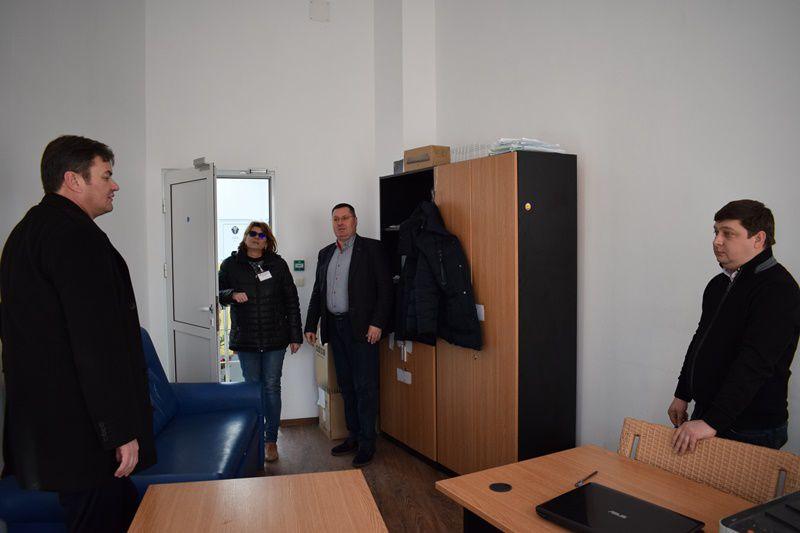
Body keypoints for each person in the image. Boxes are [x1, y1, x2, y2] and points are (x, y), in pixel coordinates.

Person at [0, 135, 156, 532]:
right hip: (84, 436)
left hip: (51, 430)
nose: (114, 185)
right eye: (106, 175)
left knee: (132, 512)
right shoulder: (75, 237)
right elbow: (94, 344)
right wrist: (119, 431)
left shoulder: (25, 234)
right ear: (73, 179)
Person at [669, 199, 800, 453]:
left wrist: (712, 421)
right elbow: (700, 340)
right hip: (709, 416)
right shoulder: (718, 285)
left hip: (749, 427)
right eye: (716, 232)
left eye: (728, 233)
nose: (717, 241)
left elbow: (755, 364)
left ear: (758, 239)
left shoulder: (779, 290)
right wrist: (682, 393)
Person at [304, 203, 392, 467]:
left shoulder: (372, 249)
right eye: (336, 219)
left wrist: (377, 323)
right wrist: (310, 324)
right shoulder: (325, 253)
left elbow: (386, 290)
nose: (340, 223)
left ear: (355, 221)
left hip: (364, 330)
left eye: (345, 218)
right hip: (335, 328)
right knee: (346, 386)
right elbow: (318, 292)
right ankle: (353, 436)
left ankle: (367, 443)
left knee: (365, 388)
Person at [218, 220, 302, 462]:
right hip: (247, 338)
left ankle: (270, 440)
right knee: (252, 388)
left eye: (262, 235)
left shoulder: (278, 264)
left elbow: (291, 300)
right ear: (245, 237)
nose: (256, 237)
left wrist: (295, 335)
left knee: (272, 387)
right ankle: (254, 436)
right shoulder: (230, 265)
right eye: (252, 233)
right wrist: (231, 294)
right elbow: (218, 293)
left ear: (267, 241)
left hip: (276, 337)